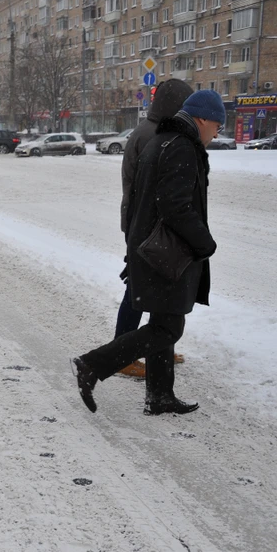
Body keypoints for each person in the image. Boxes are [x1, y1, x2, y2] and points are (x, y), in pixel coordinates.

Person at [72, 90, 224, 416]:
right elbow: (175, 206)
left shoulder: (162, 141)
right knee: (168, 328)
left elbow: (142, 199)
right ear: (203, 119)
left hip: (149, 247)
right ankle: (92, 364)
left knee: (162, 320)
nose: (216, 134)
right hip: (166, 252)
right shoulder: (182, 147)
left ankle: (159, 395)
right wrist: (204, 243)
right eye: (217, 126)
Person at [116, 79, 194, 378]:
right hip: (146, 225)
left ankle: (157, 347)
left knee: (158, 289)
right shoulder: (155, 135)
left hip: (144, 222)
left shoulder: (153, 130)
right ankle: (122, 354)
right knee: (139, 290)